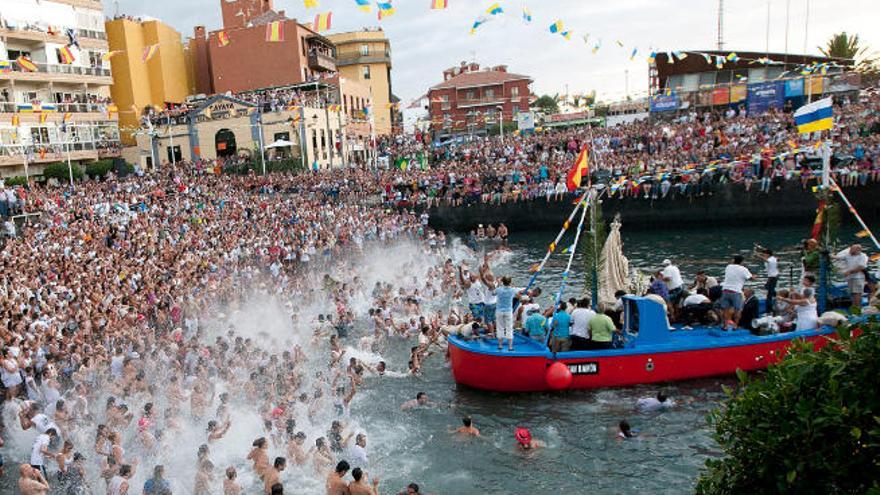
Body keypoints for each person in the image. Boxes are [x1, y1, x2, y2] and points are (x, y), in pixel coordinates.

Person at [719, 255, 753, 328]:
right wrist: (755, 276)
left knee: (725, 310)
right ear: (742, 261)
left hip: (725, 290)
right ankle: (735, 325)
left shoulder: (728, 267)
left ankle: (725, 325)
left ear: (733, 260)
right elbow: (751, 278)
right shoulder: (744, 269)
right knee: (738, 310)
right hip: (736, 291)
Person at [755, 247, 779, 313]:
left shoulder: (770, 260)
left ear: (768, 254)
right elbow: (766, 255)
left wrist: (758, 255)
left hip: (773, 277)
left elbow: (765, 260)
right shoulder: (773, 258)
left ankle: (769, 309)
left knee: (769, 294)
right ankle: (778, 297)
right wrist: (759, 249)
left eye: (765, 254)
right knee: (769, 288)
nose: (763, 255)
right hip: (772, 277)